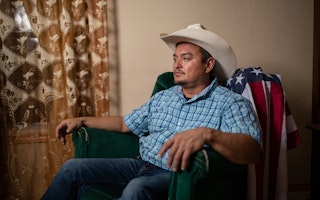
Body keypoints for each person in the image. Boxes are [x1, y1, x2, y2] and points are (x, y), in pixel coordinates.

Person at [41, 24, 262, 200]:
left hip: (175, 175)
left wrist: (208, 134)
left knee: (137, 189)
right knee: (72, 169)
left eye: (186, 58)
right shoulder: (165, 96)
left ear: (208, 64)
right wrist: (82, 120)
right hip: (139, 164)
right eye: (175, 58)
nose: (176, 65)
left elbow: (252, 150)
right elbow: (124, 124)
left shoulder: (230, 103)